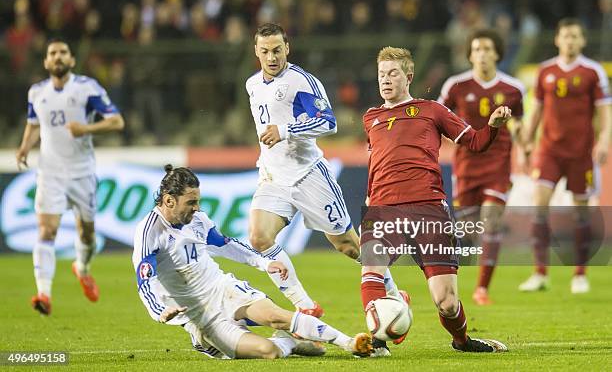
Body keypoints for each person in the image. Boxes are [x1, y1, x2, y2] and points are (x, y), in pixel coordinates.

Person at [132, 165, 372, 359]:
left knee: (276, 316)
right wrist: (159, 310)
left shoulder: (198, 220)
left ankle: (349, 343)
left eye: (197, 202)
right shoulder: (150, 232)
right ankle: (287, 342)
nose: (196, 209)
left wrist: (264, 263)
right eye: (191, 203)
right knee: (268, 352)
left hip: (221, 289)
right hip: (199, 315)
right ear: (169, 200)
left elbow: (227, 245)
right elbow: (145, 279)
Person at [360, 46, 510, 355]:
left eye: (393, 74)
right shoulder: (370, 118)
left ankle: (462, 341)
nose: (385, 80)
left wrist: (493, 125)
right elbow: (375, 165)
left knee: (446, 302)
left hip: (429, 210)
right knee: (371, 271)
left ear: (408, 76)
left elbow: (476, 142)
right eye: (381, 75)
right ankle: (377, 341)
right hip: (383, 210)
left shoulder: (431, 110)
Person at [245, 23, 401, 317]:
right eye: (265, 51)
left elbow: (328, 122)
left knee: (348, 246)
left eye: (277, 50)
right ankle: (305, 306)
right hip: (273, 178)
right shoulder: (252, 84)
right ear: (256, 51)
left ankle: (393, 293)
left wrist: (286, 130)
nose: (271, 57)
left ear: (287, 48)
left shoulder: (301, 82)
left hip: (308, 176)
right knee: (259, 237)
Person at [16, 38, 125, 316]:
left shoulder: (87, 88)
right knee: (46, 230)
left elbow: (117, 121)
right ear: (45, 62)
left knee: (86, 234)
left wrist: (87, 129)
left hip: (82, 173)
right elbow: (33, 125)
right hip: (49, 172)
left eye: (63, 52)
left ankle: (83, 268)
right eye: (52, 53)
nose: (58, 57)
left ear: (72, 60)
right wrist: (25, 147)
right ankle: (44, 293)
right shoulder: (36, 92)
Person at [519, 18, 611, 294]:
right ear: (557, 39)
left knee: (581, 211)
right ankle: (540, 273)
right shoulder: (545, 71)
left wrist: (604, 142)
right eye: (565, 36)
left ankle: (580, 273)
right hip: (549, 149)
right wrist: (526, 143)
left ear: (582, 41)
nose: (570, 41)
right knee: (539, 205)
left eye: (575, 36)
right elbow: (535, 110)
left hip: (581, 152)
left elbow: (604, 113)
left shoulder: (593, 71)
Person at [438, 29, 525, 305]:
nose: (482, 54)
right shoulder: (456, 86)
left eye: (487, 49)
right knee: (468, 227)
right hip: (466, 163)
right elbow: (438, 119)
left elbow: (520, 123)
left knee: (491, 219)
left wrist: (526, 147)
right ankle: (481, 255)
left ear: (497, 53)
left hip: (498, 162)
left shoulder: (513, 88)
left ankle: (482, 289)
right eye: (477, 49)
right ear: (470, 55)